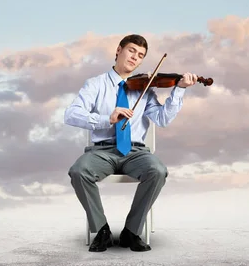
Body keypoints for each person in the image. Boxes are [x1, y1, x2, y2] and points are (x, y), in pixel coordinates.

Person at [64, 34, 198, 252]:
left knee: (157, 171)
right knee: (79, 171)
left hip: (136, 152)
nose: (135, 57)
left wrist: (179, 89)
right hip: (103, 151)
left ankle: (132, 231)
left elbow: (162, 119)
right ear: (119, 50)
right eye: (132, 51)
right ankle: (102, 230)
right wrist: (106, 118)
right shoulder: (95, 84)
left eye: (141, 55)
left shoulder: (145, 88)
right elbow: (71, 115)